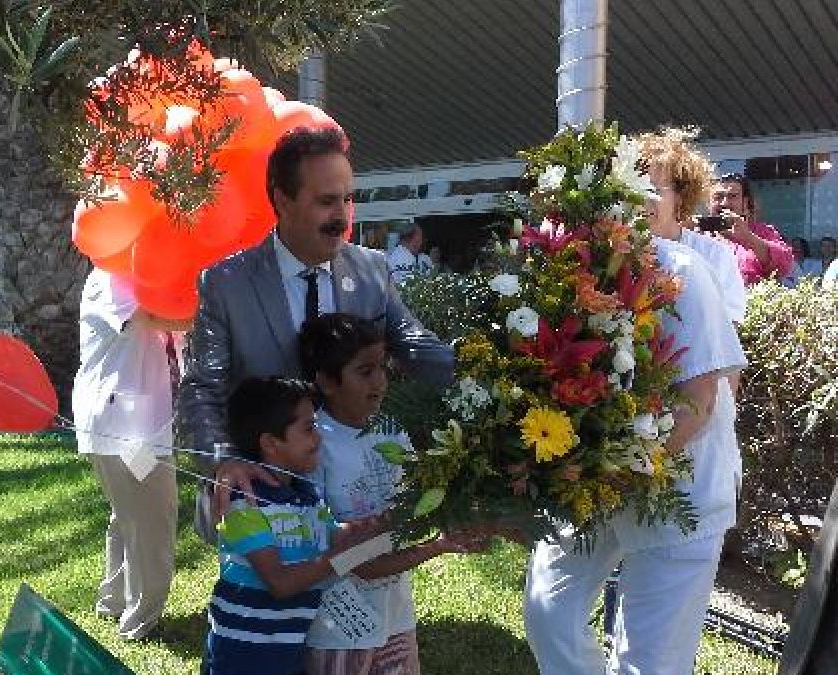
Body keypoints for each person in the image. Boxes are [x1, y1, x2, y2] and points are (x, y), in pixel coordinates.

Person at [524, 129, 748, 675]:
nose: (639, 196)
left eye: (653, 186)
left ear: (681, 199)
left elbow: (703, 397)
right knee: (549, 610)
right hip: (599, 481)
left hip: (680, 487)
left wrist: (625, 470)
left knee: (650, 660)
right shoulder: (586, 264)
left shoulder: (687, 268)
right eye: (627, 184)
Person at [180, 126, 453, 542]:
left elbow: (415, 346)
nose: (342, 217)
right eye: (326, 202)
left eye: (347, 199)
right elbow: (202, 388)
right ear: (282, 200)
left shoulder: (372, 270)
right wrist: (224, 461)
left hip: (360, 504)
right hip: (270, 510)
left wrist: (492, 376)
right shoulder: (226, 284)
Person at [298, 313, 488, 675]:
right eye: (365, 371)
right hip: (339, 630)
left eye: (382, 367)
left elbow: (412, 506)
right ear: (326, 381)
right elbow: (350, 560)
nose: (380, 381)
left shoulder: (391, 429)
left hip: (395, 617)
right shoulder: (315, 445)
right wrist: (437, 545)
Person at [202, 377, 384, 675]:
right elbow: (281, 583)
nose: (319, 438)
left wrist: (381, 527)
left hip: (289, 655)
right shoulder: (243, 501)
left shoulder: (307, 497)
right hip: (240, 660)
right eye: (309, 428)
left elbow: (337, 537)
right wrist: (341, 557)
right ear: (270, 443)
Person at [71, 268, 191, 641]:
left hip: (133, 422)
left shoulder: (145, 278)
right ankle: (142, 620)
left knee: (128, 513)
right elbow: (151, 317)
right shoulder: (111, 277)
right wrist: (215, 307)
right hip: (126, 425)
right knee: (153, 516)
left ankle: (115, 601)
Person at [709, 172, 794, 285]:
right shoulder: (699, 235)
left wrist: (747, 237)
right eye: (718, 197)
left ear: (745, 203)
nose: (724, 203)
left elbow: (784, 265)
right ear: (709, 203)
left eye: (732, 196)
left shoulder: (763, 232)